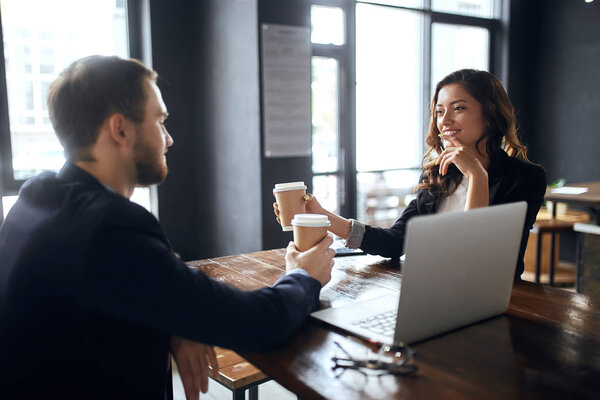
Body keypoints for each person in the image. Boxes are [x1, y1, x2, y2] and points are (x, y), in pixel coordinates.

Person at [0, 56, 335, 400]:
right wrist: (304, 274)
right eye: (159, 121)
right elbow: (260, 324)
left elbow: (137, 271)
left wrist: (177, 317)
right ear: (120, 129)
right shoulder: (110, 228)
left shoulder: (36, 198)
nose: (169, 139)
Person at [275, 69, 546, 279]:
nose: (445, 120)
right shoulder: (438, 175)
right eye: (439, 111)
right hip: (429, 290)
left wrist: (477, 177)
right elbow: (396, 242)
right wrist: (324, 217)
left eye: (458, 108)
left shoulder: (525, 178)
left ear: (490, 115)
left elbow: (481, 264)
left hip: (494, 302)